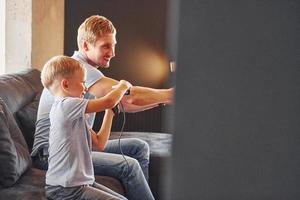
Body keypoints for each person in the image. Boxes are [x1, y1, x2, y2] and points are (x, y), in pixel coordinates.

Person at [32, 15, 171, 199]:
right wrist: (171, 94)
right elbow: (126, 99)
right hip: (50, 154)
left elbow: (122, 104)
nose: (113, 52)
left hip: (80, 144)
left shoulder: (80, 74)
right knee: (128, 165)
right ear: (85, 46)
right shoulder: (77, 71)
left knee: (139, 147)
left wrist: (164, 99)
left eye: (114, 45)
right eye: (106, 45)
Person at [42, 55, 130, 200]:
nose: (85, 88)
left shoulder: (73, 113)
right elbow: (108, 100)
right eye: (83, 82)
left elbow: (99, 143)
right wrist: (123, 86)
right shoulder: (64, 105)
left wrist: (110, 113)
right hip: (65, 189)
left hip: (80, 184)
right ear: (65, 85)